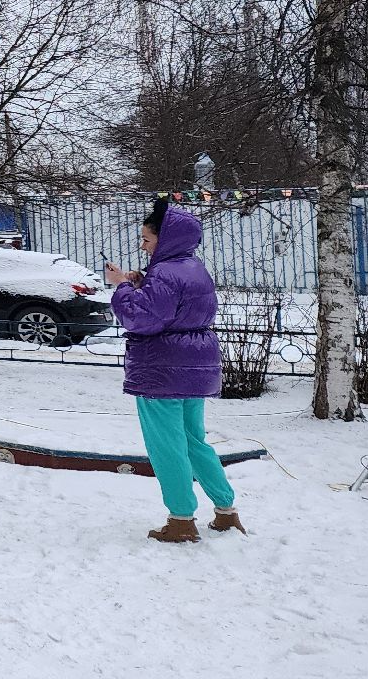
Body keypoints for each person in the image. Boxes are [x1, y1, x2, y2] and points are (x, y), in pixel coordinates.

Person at [104, 200, 244, 543]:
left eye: (147, 239)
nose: (143, 245)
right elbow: (173, 308)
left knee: (167, 446)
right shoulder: (192, 267)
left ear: (165, 240)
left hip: (162, 369)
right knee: (194, 441)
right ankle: (226, 512)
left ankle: (181, 519)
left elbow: (143, 318)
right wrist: (142, 283)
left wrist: (121, 286)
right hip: (194, 366)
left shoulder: (165, 272)